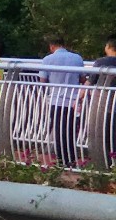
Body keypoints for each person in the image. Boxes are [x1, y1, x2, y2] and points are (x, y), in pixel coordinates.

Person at [46, 35, 86, 169]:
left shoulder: (48, 59)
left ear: (52, 46)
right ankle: (71, 159)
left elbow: (42, 80)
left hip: (56, 100)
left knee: (58, 131)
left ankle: (61, 159)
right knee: (69, 130)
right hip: (73, 101)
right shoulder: (77, 58)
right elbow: (82, 78)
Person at [91, 38, 116, 167]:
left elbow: (92, 80)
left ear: (108, 47)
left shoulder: (101, 62)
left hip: (105, 104)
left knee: (107, 134)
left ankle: (107, 163)